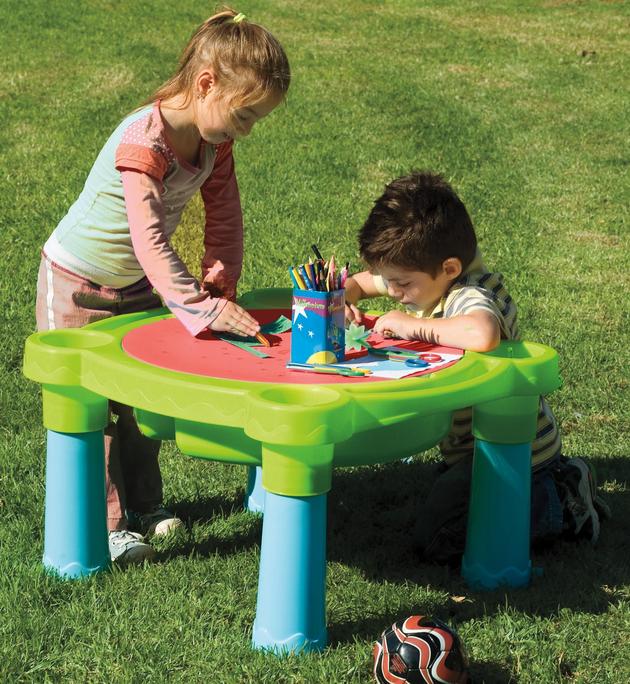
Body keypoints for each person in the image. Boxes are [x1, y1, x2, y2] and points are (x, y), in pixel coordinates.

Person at [35, 10, 290, 564]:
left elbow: (224, 216)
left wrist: (219, 284)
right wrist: (197, 308)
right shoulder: (143, 142)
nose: (244, 132)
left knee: (138, 405)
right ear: (206, 84)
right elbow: (149, 238)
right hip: (77, 283)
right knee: (90, 410)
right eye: (244, 118)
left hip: (141, 286)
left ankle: (145, 508)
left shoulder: (213, 143)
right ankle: (104, 526)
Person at [344, 171, 610, 564]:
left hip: (515, 454)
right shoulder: (422, 272)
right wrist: (341, 297)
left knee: (438, 539)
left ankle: (564, 498)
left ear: (449, 268)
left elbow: (482, 332)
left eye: (401, 285)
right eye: (391, 282)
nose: (393, 292)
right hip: (468, 448)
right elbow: (364, 282)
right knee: (445, 512)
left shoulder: (472, 294)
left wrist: (411, 324)